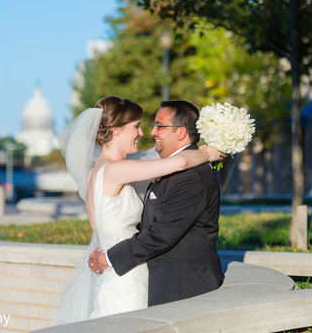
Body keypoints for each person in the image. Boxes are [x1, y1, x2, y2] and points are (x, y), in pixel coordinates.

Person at [54, 96, 223, 324]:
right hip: (126, 270)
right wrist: (207, 153)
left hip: (116, 265)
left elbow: (163, 158)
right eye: (136, 126)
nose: (142, 133)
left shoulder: (99, 169)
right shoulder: (116, 170)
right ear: (116, 130)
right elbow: (180, 163)